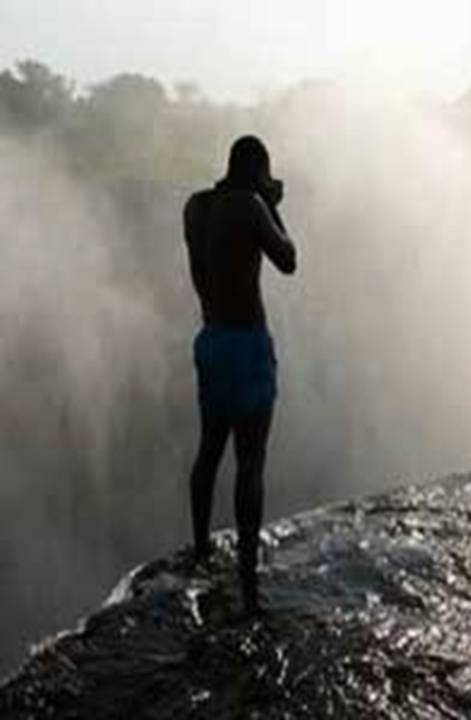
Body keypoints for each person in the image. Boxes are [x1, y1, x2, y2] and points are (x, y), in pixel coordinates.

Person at [182, 135, 297, 615]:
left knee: (209, 450)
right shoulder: (251, 205)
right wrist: (273, 207)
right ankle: (249, 587)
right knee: (250, 463)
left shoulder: (196, 207)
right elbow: (288, 260)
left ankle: (201, 549)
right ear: (256, 172)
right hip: (246, 343)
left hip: (210, 340)